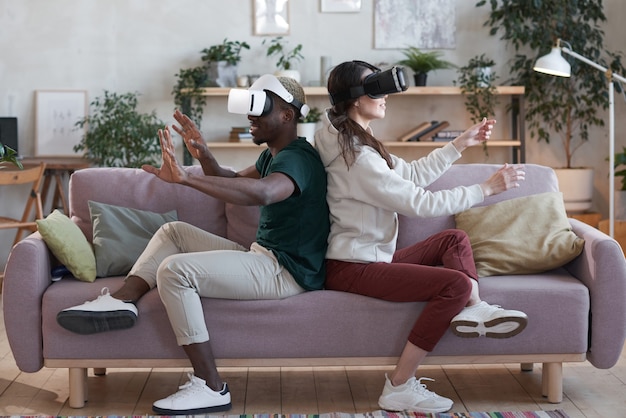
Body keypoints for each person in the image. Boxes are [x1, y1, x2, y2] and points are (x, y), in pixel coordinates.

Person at [56, 75, 330, 415]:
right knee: (174, 232)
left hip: (285, 272)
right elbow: (231, 180)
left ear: (288, 116)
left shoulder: (298, 158)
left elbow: (264, 193)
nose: (250, 117)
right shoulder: (275, 156)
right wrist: (203, 155)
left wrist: (187, 179)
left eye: (260, 109)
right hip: (264, 257)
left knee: (175, 270)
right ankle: (122, 301)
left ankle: (211, 386)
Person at [314, 60, 528, 413]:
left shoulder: (349, 136)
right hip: (353, 266)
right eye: (377, 89)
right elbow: (418, 203)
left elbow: (410, 174)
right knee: (454, 286)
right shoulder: (355, 156)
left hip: (369, 257)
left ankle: (474, 309)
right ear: (355, 98)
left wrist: (458, 144)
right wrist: (484, 189)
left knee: (453, 239)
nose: (385, 98)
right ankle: (398, 385)